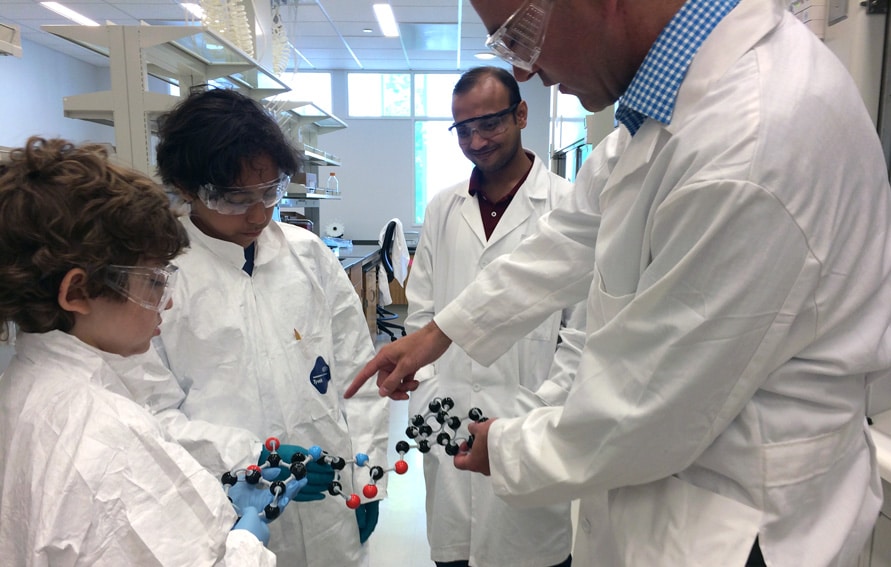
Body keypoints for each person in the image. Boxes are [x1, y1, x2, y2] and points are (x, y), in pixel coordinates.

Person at [346, 0, 891, 565]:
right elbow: (566, 240)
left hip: (735, 531)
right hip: (663, 496)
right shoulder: (665, 110)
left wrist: (505, 447)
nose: (527, 70)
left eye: (521, 34)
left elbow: (650, 413)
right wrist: (439, 332)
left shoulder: (749, 141)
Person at [0, 136, 299, 565]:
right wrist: (244, 543)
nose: (169, 301)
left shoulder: (27, 387)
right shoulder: (101, 432)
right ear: (78, 291)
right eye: (154, 283)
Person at [151, 86, 389, 567]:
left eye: (270, 191)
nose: (259, 214)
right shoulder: (160, 279)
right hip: (228, 515)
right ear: (185, 186)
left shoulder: (308, 256)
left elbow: (360, 376)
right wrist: (250, 459)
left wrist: (369, 480)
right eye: (236, 198)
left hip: (328, 507)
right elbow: (152, 417)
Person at [406, 66, 588, 567]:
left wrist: (536, 414)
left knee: (529, 554)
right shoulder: (444, 208)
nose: (476, 140)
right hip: (448, 416)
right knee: (455, 554)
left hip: (528, 420)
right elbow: (420, 312)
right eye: (463, 129)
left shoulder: (569, 205)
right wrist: (427, 391)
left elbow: (582, 333)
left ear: (522, 114)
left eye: (489, 124)